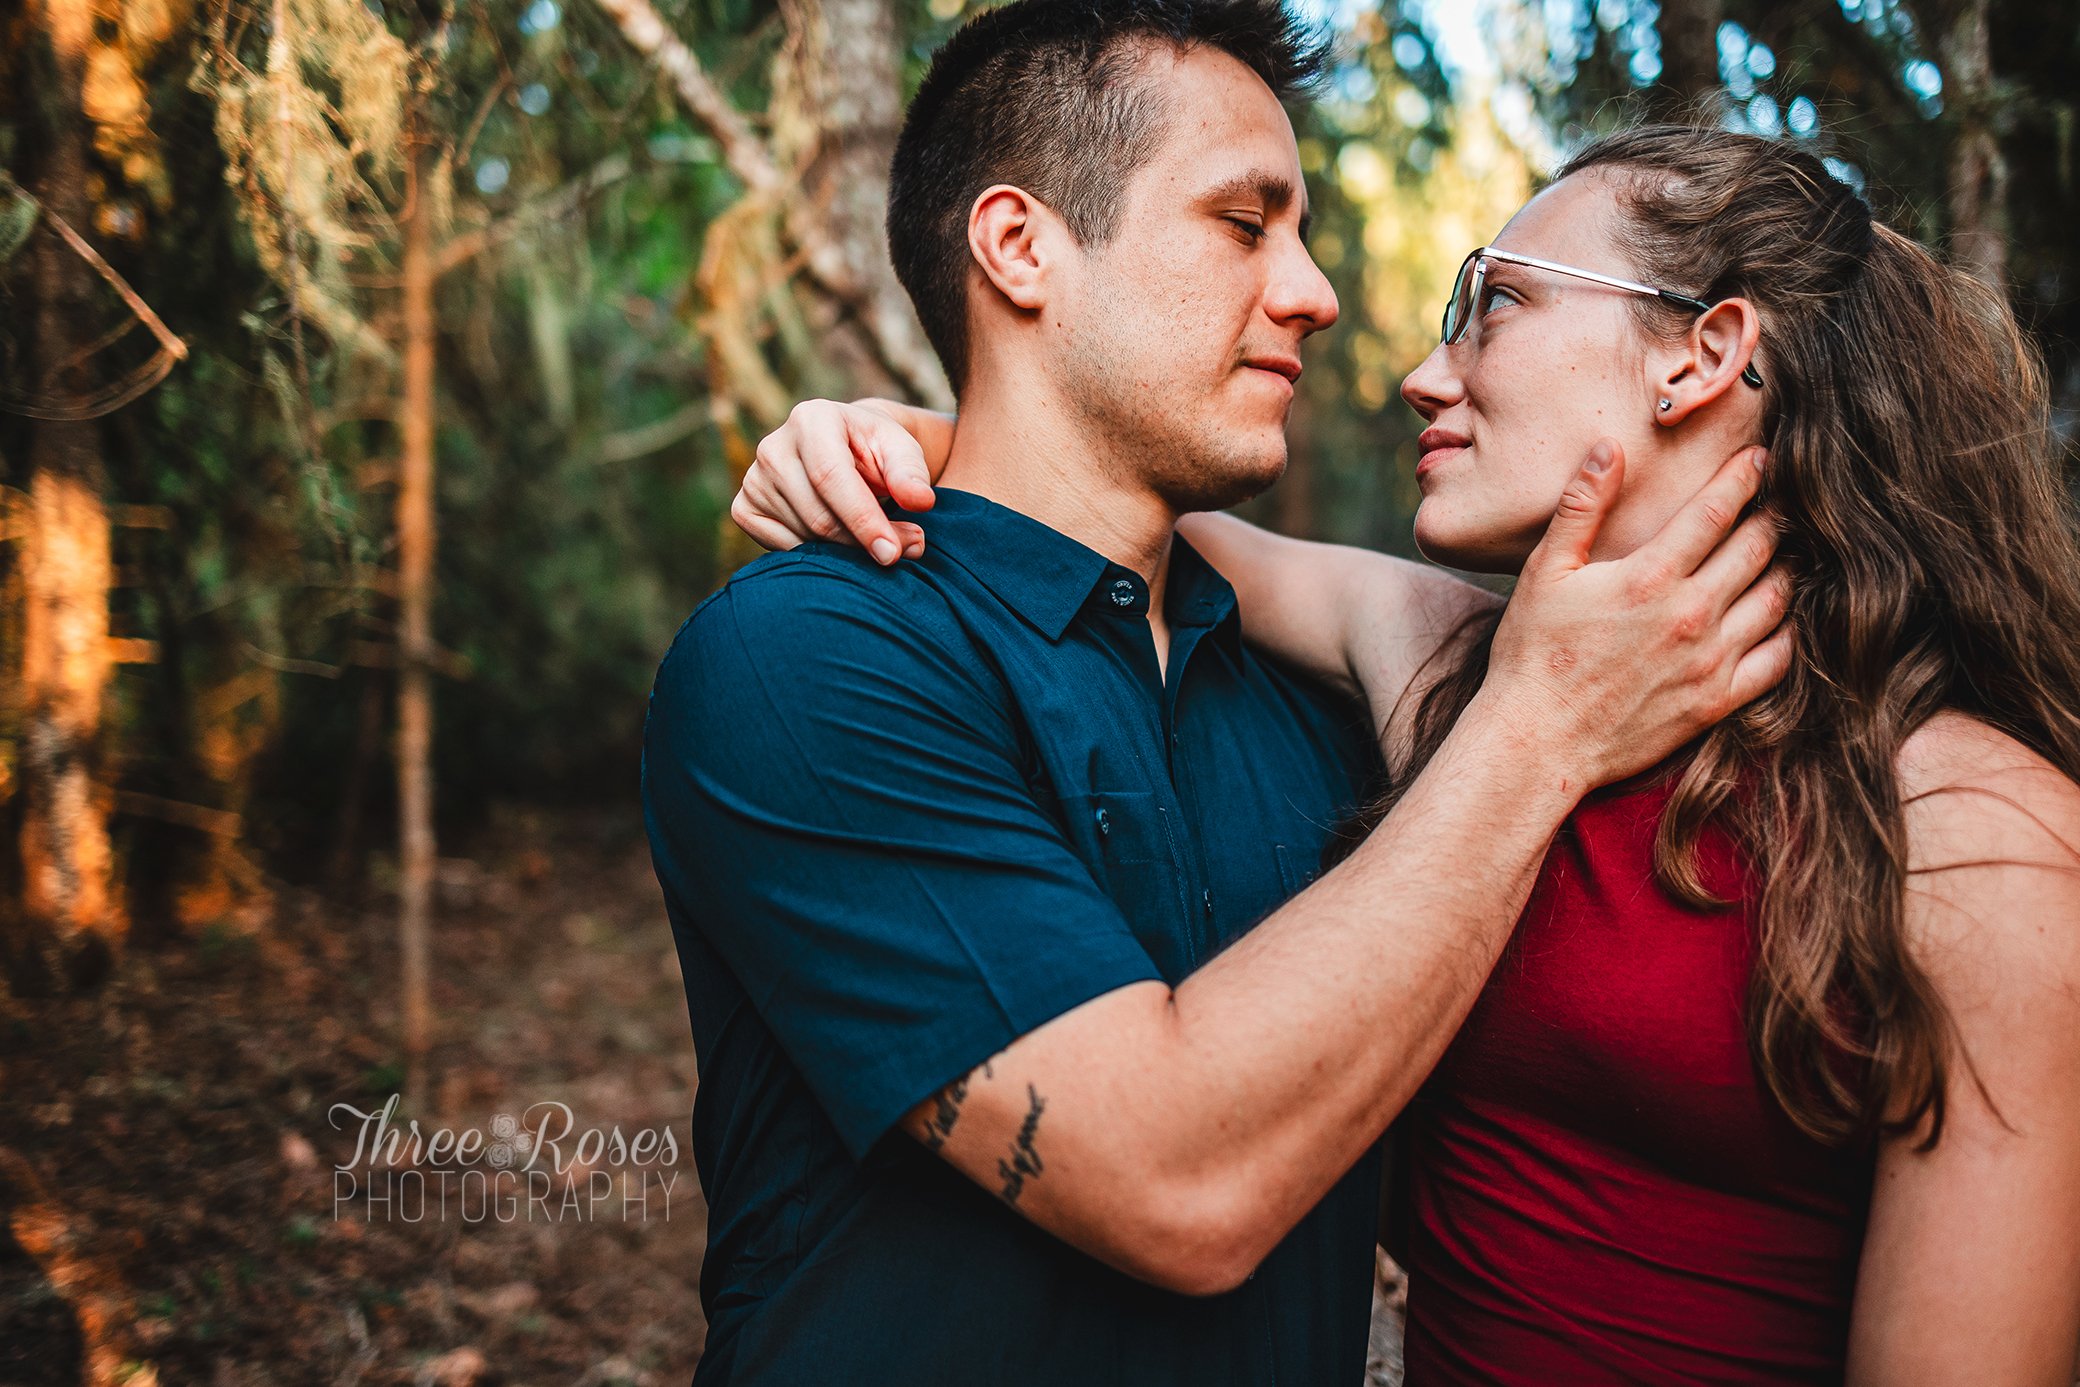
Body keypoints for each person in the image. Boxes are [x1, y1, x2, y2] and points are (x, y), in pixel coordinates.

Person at [738, 124, 2080, 1383]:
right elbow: (1114, 512)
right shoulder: (1453, 670)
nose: (1423, 374)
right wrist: (873, 439)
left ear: (1701, 352)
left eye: (1495, 303)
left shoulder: (1981, 838)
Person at [643, 1, 1790, 1380]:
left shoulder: (1324, 701)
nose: (1314, 292)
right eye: (1246, 224)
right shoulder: (811, 658)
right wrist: (1536, 727)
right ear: (1020, 248)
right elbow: (1175, 1185)